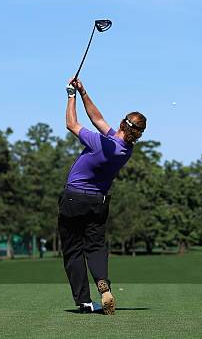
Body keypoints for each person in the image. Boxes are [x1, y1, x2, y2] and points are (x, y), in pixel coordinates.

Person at [58, 77, 146, 315]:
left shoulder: (100, 143)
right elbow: (97, 119)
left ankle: (85, 302)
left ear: (122, 123)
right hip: (98, 202)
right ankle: (103, 284)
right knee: (95, 247)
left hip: (74, 199)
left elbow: (71, 123)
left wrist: (70, 96)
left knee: (73, 250)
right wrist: (83, 92)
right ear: (137, 133)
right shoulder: (125, 148)